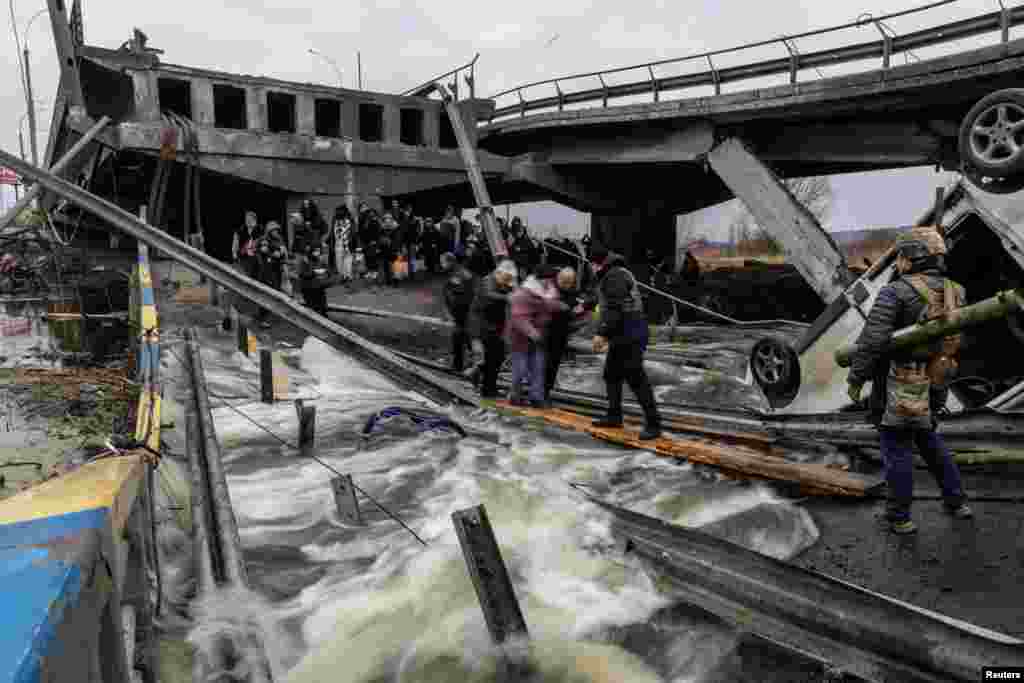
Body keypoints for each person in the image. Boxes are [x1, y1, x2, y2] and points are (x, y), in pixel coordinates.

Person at [847, 226, 972, 534]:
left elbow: (872, 341)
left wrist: (856, 377)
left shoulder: (895, 292)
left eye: (901, 256)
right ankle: (957, 502)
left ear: (912, 257)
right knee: (929, 439)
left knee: (896, 446)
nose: (898, 262)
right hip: (937, 380)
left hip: (898, 383)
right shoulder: (957, 291)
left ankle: (898, 516)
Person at [588, 244, 662, 440]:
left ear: (599, 262)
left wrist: (602, 333)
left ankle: (653, 424)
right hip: (622, 332)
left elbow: (615, 305)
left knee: (636, 377)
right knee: (611, 374)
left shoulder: (614, 275)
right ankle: (614, 415)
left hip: (631, 332)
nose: (591, 268)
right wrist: (586, 304)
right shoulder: (613, 273)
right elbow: (606, 300)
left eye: (592, 264)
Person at [506, 270, 567, 407]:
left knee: (538, 368)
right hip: (521, 338)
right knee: (520, 369)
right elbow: (519, 318)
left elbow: (547, 305)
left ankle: (536, 398)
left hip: (539, 337)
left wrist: (561, 306)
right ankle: (515, 396)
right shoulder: (523, 295)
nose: (550, 283)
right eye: (547, 280)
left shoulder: (548, 293)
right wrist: (533, 333)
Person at [468, 259, 518, 399]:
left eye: (509, 279)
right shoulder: (487, 281)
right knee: (485, 358)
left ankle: (489, 387)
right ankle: (480, 382)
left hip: (496, 324)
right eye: (506, 278)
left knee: (498, 357)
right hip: (480, 324)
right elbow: (489, 294)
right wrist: (507, 297)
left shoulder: (506, 282)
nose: (507, 282)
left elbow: (514, 293)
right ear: (500, 274)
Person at [544, 266, 584, 400]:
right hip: (545, 331)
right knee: (542, 363)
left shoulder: (572, 291)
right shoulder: (549, 288)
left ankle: (545, 392)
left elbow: (573, 307)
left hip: (561, 332)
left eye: (569, 283)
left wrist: (577, 310)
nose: (567, 285)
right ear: (559, 278)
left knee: (553, 364)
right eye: (564, 282)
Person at [442, 252, 476, 372]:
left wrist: (452, 311)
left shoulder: (460, 275)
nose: (442, 265)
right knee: (461, 338)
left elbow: (463, 296)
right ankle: (460, 364)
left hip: (463, 313)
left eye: (444, 262)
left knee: (463, 338)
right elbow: (448, 293)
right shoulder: (453, 273)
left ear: (450, 262)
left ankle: (465, 365)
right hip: (459, 314)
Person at [256, 222, 288, 328]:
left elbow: (283, 252)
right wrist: (273, 254)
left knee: (276, 292)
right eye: (273, 230)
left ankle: (272, 315)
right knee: (266, 293)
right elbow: (262, 251)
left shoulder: (279, 239)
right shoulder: (264, 240)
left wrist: (283, 257)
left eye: (277, 230)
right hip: (267, 270)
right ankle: (262, 318)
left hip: (277, 269)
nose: (275, 232)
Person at [298, 241, 330, 317]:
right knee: (313, 309)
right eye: (316, 251)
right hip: (308, 288)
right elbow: (302, 274)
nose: (317, 253)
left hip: (319, 286)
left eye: (319, 251)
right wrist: (314, 272)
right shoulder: (305, 261)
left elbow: (328, 271)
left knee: (323, 307)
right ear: (311, 251)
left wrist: (325, 272)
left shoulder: (320, 260)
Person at [232, 210, 263, 280]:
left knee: (258, 277)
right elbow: (235, 243)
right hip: (244, 258)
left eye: (250, 219)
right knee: (246, 277)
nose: (248, 221)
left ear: (255, 220)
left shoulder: (260, 230)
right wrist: (234, 253)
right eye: (246, 219)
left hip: (258, 257)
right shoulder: (240, 230)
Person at [332, 206, 356, 282]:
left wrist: (351, 242)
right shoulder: (335, 221)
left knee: (347, 261)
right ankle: (343, 276)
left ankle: (347, 276)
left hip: (347, 243)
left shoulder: (349, 221)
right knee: (339, 261)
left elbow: (353, 233)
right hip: (338, 243)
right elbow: (333, 233)